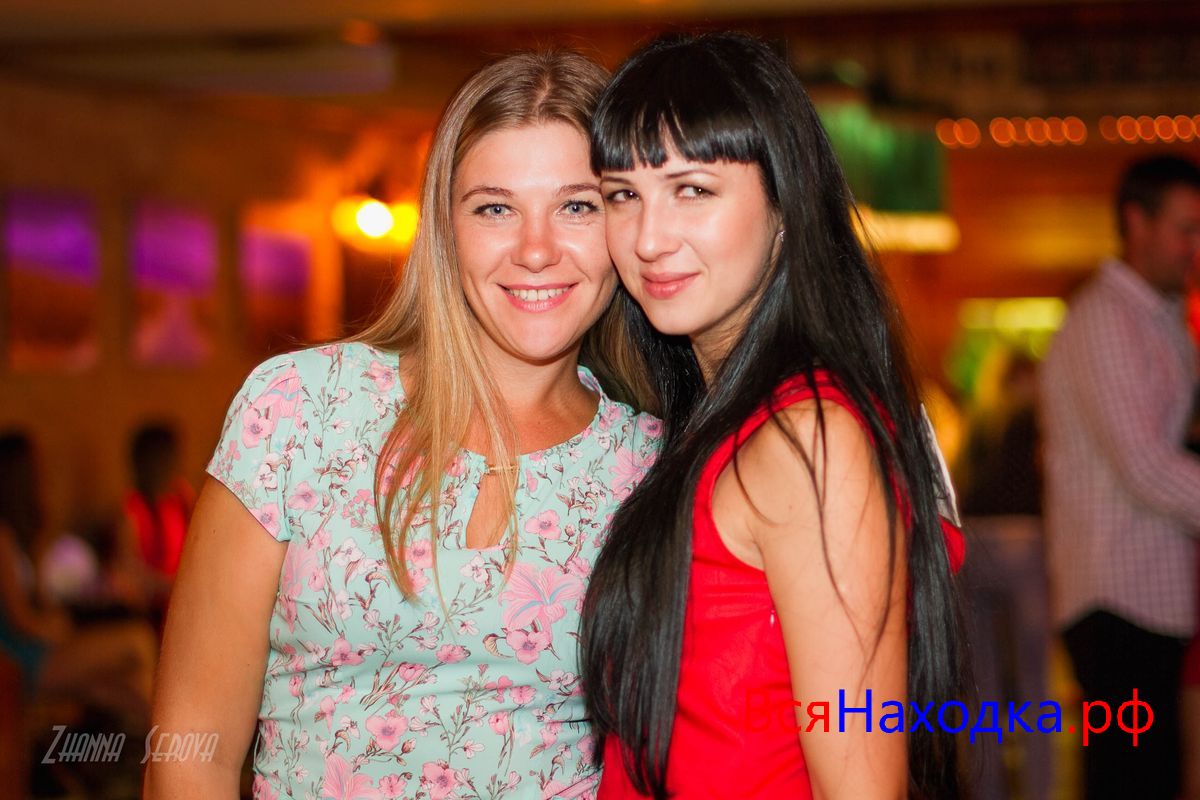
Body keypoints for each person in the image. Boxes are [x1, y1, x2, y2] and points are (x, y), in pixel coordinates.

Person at [145, 50, 662, 800]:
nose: (536, 249)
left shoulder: (652, 467)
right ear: (444, 229)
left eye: (576, 206)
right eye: (494, 208)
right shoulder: (297, 410)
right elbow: (190, 749)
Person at [579, 32, 965, 800]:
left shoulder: (807, 436)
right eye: (623, 195)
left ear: (786, 204)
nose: (648, 238)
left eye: (693, 189)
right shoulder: (720, 422)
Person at [1040, 154, 1200, 799]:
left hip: (1149, 591)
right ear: (1137, 223)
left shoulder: (1160, 317)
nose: (1195, 247)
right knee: (1129, 779)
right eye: (1186, 229)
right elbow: (1145, 466)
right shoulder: (1107, 319)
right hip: (1115, 598)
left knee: (1152, 775)